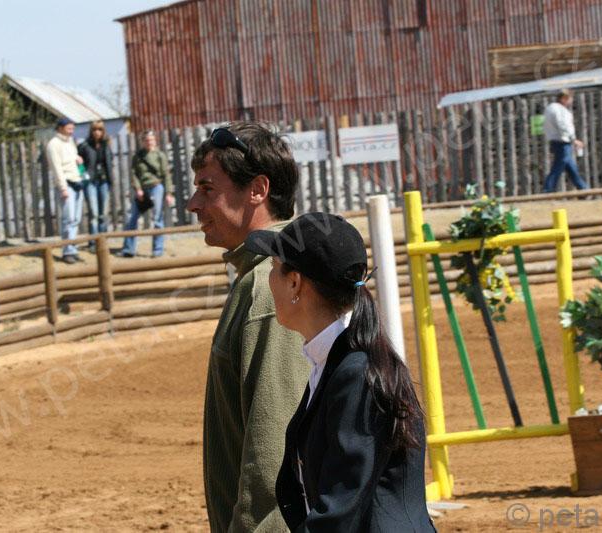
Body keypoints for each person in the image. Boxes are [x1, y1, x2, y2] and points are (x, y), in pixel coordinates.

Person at [244, 213, 436, 532]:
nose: (270, 279)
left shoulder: (356, 373)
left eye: (274, 268)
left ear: (294, 283)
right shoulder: (338, 361)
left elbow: (340, 508)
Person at [187, 122, 309, 532]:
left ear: (257, 190)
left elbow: (275, 454)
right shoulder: (266, 276)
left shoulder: (269, 286)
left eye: (207, 189)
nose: (192, 203)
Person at [119, 130, 174, 257]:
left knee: (157, 219)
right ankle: (129, 249)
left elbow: (166, 175)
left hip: (156, 187)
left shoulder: (160, 155)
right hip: (142, 190)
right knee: (133, 218)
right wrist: (138, 189)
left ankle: (157, 250)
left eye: (151, 140)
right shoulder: (138, 156)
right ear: (142, 142)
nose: (149, 142)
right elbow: (134, 174)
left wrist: (168, 193)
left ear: (155, 140)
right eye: (147, 140)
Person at [46, 117, 84, 264]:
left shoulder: (70, 142)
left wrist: (77, 158)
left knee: (76, 219)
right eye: (69, 128)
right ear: (60, 128)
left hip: (76, 181)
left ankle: (73, 249)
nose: (72, 131)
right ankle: (67, 251)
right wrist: (63, 188)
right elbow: (57, 168)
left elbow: (71, 158)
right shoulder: (53, 144)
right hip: (66, 184)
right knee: (68, 219)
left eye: (73, 128)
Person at [542, 88, 588, 193]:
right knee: (558, 167)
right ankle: (547, 189)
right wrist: (573, 139)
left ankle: (583, 188)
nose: (571, 101)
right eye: (570, 98)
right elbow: (562, 125)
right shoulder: (560, 110)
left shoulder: (550, 108)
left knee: (571, 167)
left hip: (555, 141)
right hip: (563, 142)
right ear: (563, 98)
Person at [78, 120, 114, 250]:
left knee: (103, 214)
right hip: (90, 182)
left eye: (100, 129)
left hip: (104, 181)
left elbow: (109, 163)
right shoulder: (84, 146)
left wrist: (110, 180)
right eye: (94, 130)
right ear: (91, 131)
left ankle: (102, 241)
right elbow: (79, 164)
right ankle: (93, 243)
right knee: (93, 213)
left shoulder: (106, 145)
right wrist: (83, 175)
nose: (97, 132)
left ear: (103, 131)